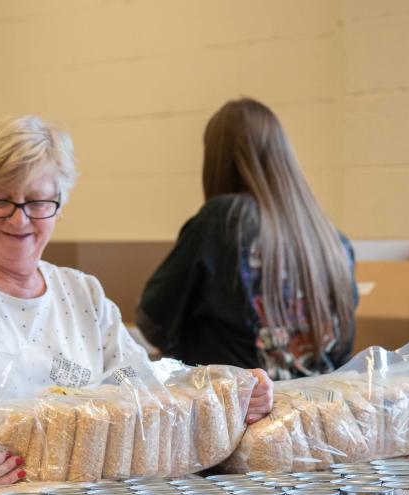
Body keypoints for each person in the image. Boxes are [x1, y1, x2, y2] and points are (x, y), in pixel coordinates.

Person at [0, 115, 273, 495]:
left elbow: (137, 388)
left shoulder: (82, 296)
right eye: (0, 200)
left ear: (59, 204)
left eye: (38, 202)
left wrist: (225, 392)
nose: (19, 219)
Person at [137, 98, 357, 381]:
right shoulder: (334, 242)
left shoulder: (223, 219)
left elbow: (152, 318)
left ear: (218, 161)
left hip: (240, 414)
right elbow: (343, 347)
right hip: (315, 414)